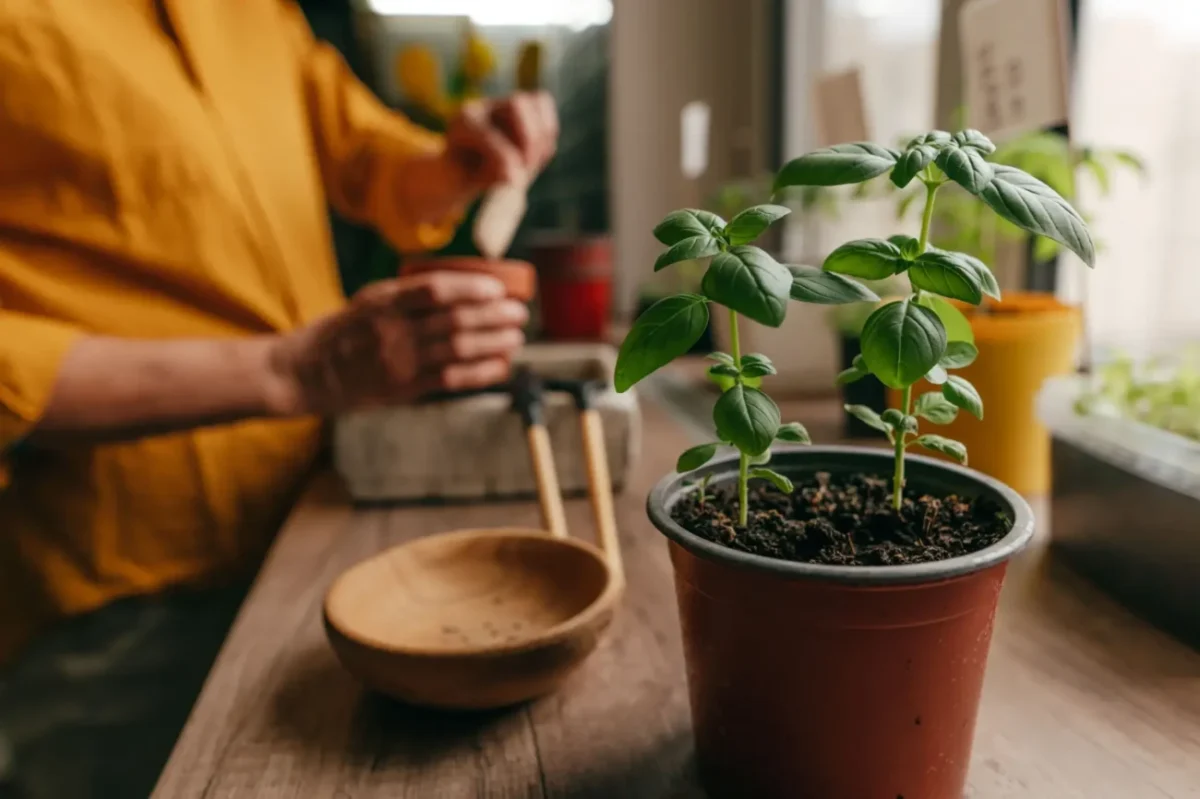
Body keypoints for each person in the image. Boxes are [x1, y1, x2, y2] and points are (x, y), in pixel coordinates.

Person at [0, 2, 558, 797]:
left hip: (314, 522)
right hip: (118, 600)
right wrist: (294, 372)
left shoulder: (254, 11)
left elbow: (365, 155)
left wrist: (454, 166)